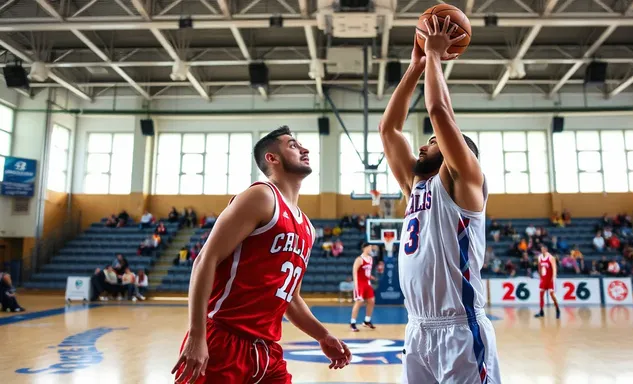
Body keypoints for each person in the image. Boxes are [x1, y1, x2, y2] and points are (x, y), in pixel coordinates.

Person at [172, 127, 352, 384]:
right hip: (222, 341)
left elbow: (291, 298)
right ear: (272, 158)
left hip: (267, 351)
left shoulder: (308, 228)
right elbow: (205, 260)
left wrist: (322, 335)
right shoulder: (261, 196)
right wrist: (197, 336)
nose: (305, 149)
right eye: (293, 145)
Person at [378, 15, 500, 383]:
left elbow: (439, 112)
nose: (421, 144)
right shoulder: (415, 187)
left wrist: (433, 54)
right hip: (417, 330)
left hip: (461, 330)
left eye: (431, 142)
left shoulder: (465, 181)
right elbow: (390, 129)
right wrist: (415, 65)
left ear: (453, 152)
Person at [350, 243, 377, 332]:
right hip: (360, 284)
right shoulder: (359, 259)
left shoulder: (370, 259)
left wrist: (371, 277)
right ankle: (352, 323)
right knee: (359, 302)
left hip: (367, 283)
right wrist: (356, 284)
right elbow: (354, 271)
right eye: (369, 247)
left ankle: (367, 321)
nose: (370, 248)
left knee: (371, 301)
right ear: (364, 248)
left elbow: (366, 272)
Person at [535, 246, 560, 319]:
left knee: (552, 295)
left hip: (550, 279)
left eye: (543, 249)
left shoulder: (551, 258)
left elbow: (554, 269)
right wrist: (540, 277)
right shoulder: (539, 257)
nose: (542, 250)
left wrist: (553, 279)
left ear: (546, 249)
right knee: (541, 294)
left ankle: (557, 310)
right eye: (541, 249)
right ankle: (541, 311)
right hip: (543, 279)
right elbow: (539, 267)